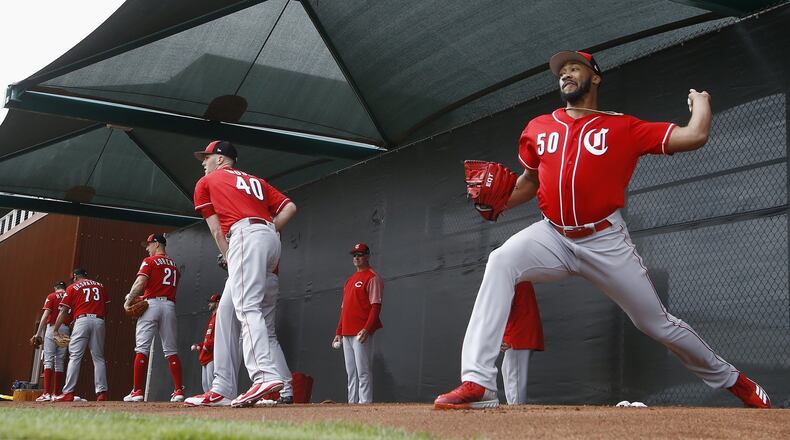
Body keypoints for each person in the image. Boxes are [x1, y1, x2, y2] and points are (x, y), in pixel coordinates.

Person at [434, 51, 771, 409]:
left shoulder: (624, 127)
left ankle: (735, 381)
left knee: (656, 323)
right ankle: (478, 382)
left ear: (595, 78)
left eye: (573, 68)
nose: (565, 74)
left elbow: (695, 135)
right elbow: (530, 181)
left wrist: (701, 103)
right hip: (553, 235)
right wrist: (498, 202)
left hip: (604, 239)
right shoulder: (538, 127)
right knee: (501, 260)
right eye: (561, 71)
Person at [184, 140, 297, 408]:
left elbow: (216, 232)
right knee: (226, 311)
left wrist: (230, 257)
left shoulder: (206, 183)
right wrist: (268, 229)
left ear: (221, 159)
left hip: (244, 235)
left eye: (207, 157)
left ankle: (263, 376)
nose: (203, 162)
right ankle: (222, 388)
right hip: (269, 239)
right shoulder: (256, 180)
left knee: (247, 308)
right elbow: (290, 208)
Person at [123, 234, 185, 403]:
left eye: (149, 244)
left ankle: (137, 391)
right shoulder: (174, 266)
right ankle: (178, 390)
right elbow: (162, 288)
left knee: (142, 348)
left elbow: (140, 283)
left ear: (157, 244)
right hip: (169, 306)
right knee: (171, 350)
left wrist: (128, 301)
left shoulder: (149, 261)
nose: (147, 248)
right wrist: (144, 297)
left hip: (152, 307)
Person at [332, 243, 383, 404]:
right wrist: (338, 332)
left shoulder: (372, 277)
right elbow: (344, 309)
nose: (357, 258)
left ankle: (364, 404)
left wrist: (367, 329)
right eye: (354, 255)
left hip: (361, 332)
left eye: (360, 254)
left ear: (367, 256)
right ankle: (351, 403)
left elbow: (376, 306)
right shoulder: (349, 280)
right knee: (351, 372)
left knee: (363, 371)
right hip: (346, 332)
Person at [53, 268, 109, 402]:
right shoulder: (100, 286)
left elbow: (64, 311)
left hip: (82, 320)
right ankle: (101, 393)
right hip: (99, 320)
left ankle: (68, 392)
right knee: (98, 358)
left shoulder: (73, 287)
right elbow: (106, 307)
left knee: (75, 356)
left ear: (75, 277)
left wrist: (55, 329)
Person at [499, 282, 544, 405]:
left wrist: (503, 335)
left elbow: (503, 307)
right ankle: (515, 409)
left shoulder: (513, 278)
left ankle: (517, 413)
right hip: (520, 331)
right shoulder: (519, 276)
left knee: (515, 376)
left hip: (519, 333)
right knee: (507, 370)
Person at [30, 281, 71, 401]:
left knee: (48, 360)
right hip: (65, 328)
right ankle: (57, 394)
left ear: (55, 288)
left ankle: (46, 393)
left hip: (53, 328)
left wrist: (38, 334)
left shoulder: (52, 296)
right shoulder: (69, 295)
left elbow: (45, 315)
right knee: (60, 361)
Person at [192, 294, 220, 393]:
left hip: (212, 356)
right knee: (206, 385)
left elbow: (219, 338)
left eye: (211, 302)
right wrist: (200, 346)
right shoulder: (212, 318)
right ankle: (208, 407)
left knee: (211, 385)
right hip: (205, 355)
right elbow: (208, 339)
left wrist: (205, 346)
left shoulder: (219, 317)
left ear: (217, 303)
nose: (209, 304)